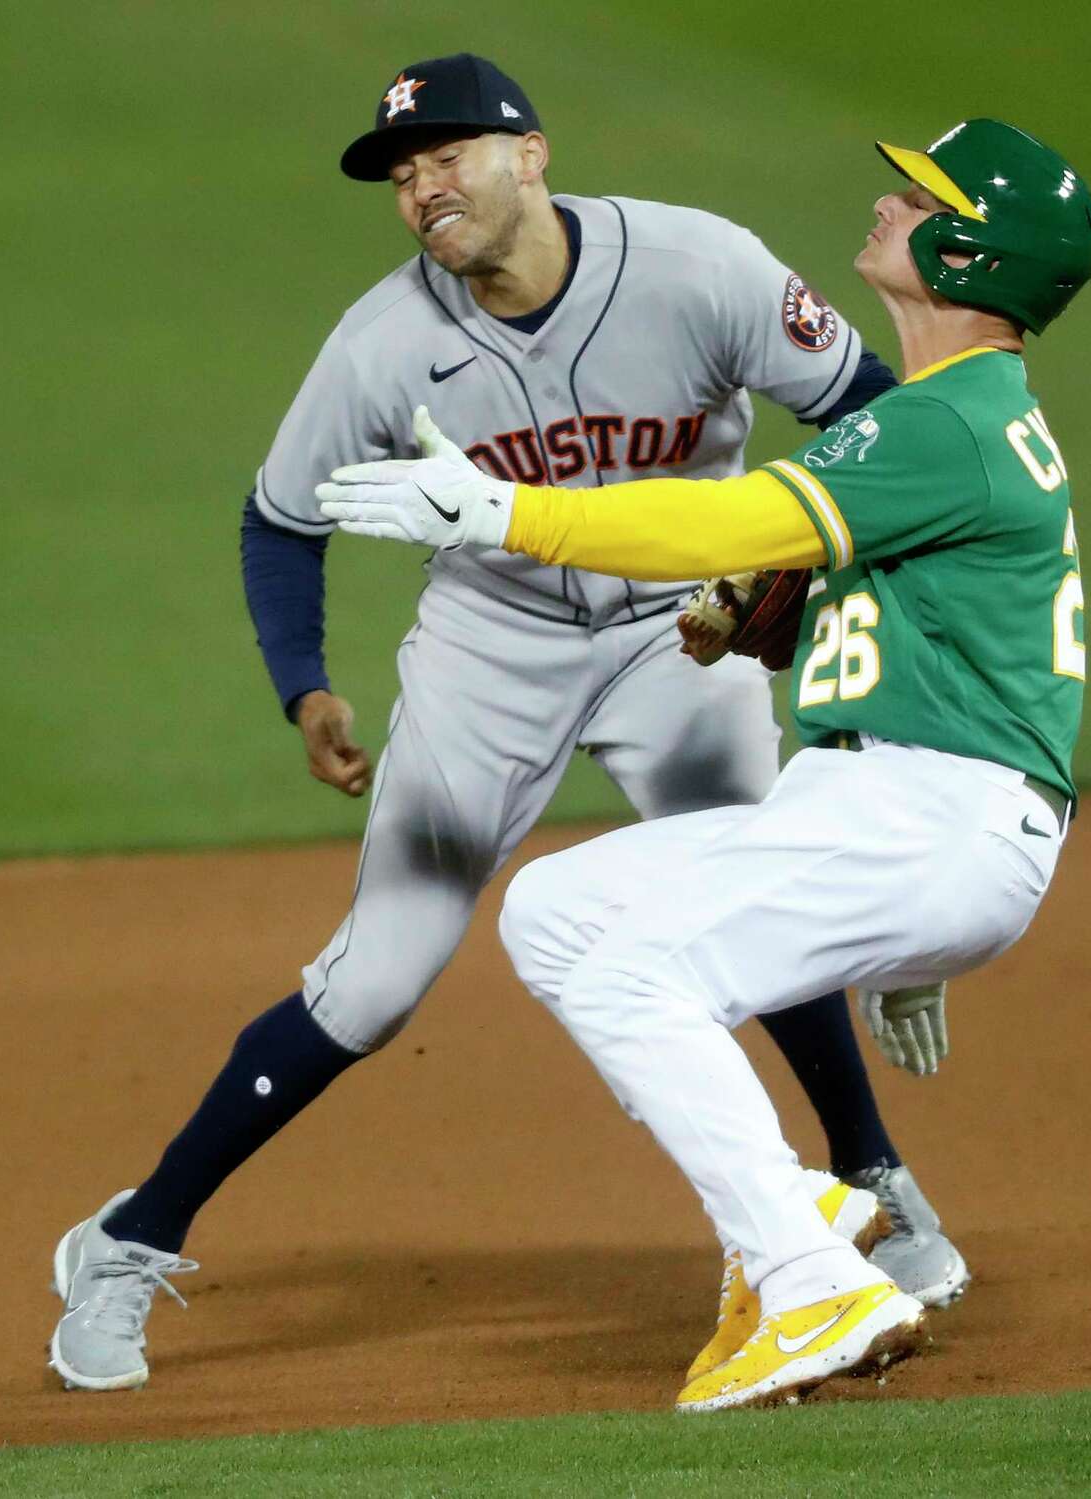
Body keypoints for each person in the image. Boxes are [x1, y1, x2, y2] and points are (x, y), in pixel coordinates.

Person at [48, 53, 960, 1394]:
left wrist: (809, 566)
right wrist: (303, 682)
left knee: (753, 891)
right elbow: (280, 517)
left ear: (531, 154)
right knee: (375, 980)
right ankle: (127, 1240)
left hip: (679, 633)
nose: (423, 187)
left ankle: (871, 1170)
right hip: (493, 654)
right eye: (403, 174)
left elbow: (878, 425)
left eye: (449, 154)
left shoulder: (700, 267)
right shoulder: (379, 342)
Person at [316, 117, 1091, 1409]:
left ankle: (808, 1279)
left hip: (934, 811)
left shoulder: (949, 423)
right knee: (559, 913)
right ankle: (792, 1212)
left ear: (970, 252)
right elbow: (900, 617)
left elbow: (729, 514)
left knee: (633, 973)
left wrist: (503, 510)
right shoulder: (948, 421)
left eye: (921, 200)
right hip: (898, 809)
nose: (889, 205)